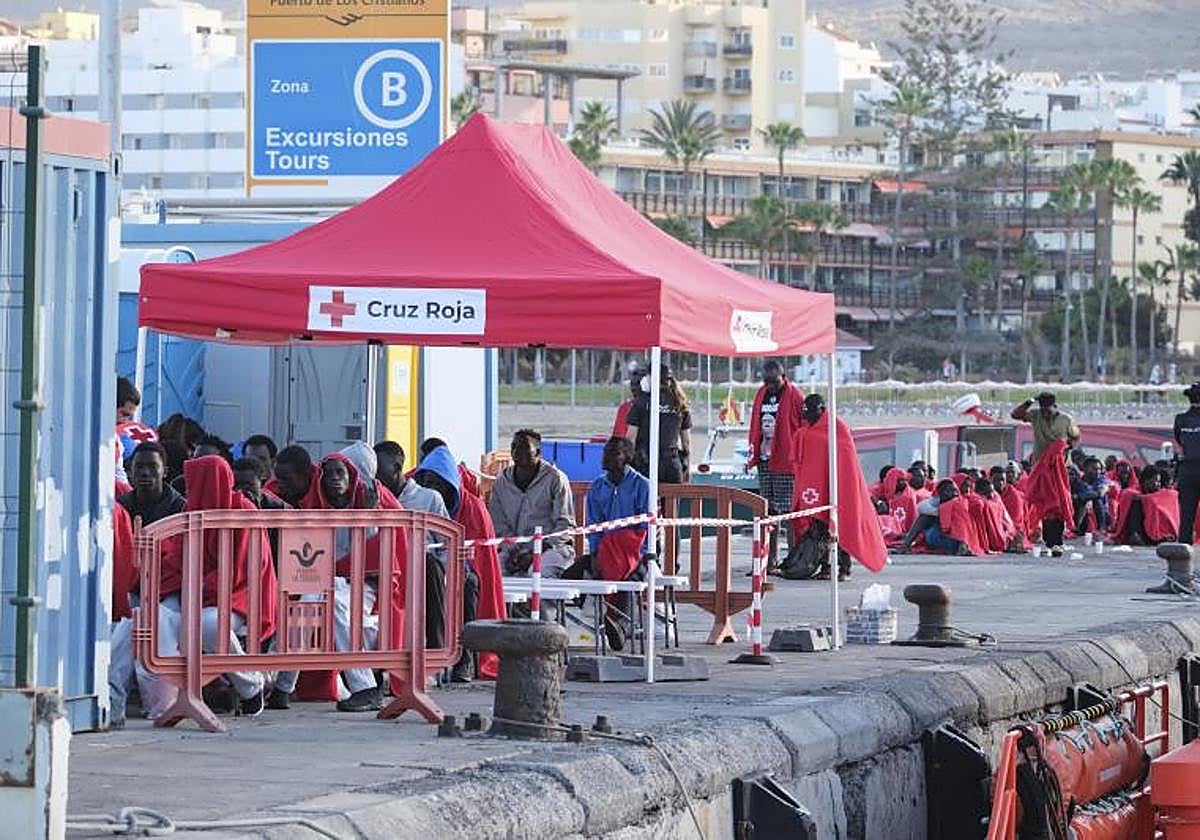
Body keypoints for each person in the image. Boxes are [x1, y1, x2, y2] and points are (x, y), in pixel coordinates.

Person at [158, 456, 279, 716]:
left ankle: (251, 687)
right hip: (198, 591)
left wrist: (198, 585)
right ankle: (163, 698)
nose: (189, 489)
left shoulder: (243, 511)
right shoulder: (191, 510)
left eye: (194, 483)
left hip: (241, 596)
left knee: (209, 625)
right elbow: (178, 557)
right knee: (160, 616)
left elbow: (242, 571)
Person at [413, 442, 505, 680]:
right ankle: (434, 654)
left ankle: (464, 657)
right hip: (419, 570)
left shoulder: (473, 508)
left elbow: (482, 559)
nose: (433, 489)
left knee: (470, 584)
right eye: (428, 483)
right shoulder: (418, 499)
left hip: (457, 570)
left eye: (438, 484)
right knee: (431, 574)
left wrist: (457, 570)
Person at [787, 393, 887, 579]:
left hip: (839, 488)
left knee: (842, 526)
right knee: (820, 527)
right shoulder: (806, 431)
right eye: (804, 412)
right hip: (818, 489)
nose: (806, 416)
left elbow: (846, 460)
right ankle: (826, 567)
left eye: (809, 412)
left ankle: (844, 567)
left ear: (821, 410)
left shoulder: (837, 430)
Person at [580, 437, 651, 651]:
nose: (606, 457)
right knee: (572, 573)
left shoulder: (642, 486)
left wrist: (638, 556)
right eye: (605, 452)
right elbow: (593, 526)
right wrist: (595, 555)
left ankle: (621, 625)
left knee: (630, 579)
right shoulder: (597, 487)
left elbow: (646, 528)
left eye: (614, 453)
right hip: (604, 552)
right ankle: (579, 618)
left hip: (637, 553)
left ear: (626, 458)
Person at [488, 429, 577, 577]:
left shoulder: (556, 479)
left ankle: (545, 601)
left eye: (524, 448)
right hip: (515, 550)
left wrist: (536, 552)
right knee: (492, 571)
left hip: (553, 548)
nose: (517, 451)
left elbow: (564, 525)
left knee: (539, 573)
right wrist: (513, 551)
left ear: (538, 452)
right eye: (514, 446)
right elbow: (499, 525)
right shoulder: (501, 482)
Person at [747, 360, 805, 567]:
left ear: (783, 376)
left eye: (774, 381)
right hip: (765, 459)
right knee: (768, 510)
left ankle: (793, 557)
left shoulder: (795, 395)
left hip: (785, 460)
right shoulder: (761, 394)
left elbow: (804, 425)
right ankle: (770, 559)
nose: (770, 385)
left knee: (788, 511)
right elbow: (755, 422)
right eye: (766, 381)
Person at [1012, 392, 1080, 556]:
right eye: (1042, 410)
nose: (1045, 414)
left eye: (1048, 411)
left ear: (1055, 407)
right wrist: (1030, 401)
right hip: (1040, 469)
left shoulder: (1066, 419)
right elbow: (1015, 414)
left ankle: (1058, 542)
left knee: (1059, 504)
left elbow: (1076, 437)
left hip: (1060, 468)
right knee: (1044, 505)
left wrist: (1066, 448)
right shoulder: (1036, 416)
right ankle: (1050, 543)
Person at [625, 366, 692, 484]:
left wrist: (626, 464)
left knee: (644, 501)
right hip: (672, 464)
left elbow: (630, 438)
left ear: (650, 379)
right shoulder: (679, 403)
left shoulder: (641, 402)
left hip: (645, 463)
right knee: (671, 501)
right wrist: (687, 466)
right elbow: (686, 442)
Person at [897, 479, 980, 556]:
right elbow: (921, 508)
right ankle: (905, 545)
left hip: (956, 542)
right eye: (948, 491)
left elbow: (963, 526)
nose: (953, 493)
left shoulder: (960, 503)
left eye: (954, 490)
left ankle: (905, 546)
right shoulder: (943, 503)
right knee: (926, 517)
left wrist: (963, 544)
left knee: (925, 518)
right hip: (946, 539)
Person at [118, 442, 186, 526]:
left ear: (165, 472)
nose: (145, 473)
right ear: (131, 471)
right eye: (139, 466)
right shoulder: (121, 506)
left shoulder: (180, 508)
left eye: (152, 466)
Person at [1111, 466, 1180, 546]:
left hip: (1155, 530)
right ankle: (1135, 535)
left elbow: (1172, 494)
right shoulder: (1131, 492)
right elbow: (1130, 496)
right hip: (1138, 529)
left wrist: (1145, 499)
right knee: (1136, 503)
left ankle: (1161, 536)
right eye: (1155, 481)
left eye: (1159, 482)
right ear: (1146, 481)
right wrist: (1144, 499)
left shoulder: (1158, 494)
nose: (1158, 484)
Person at [1173, 382, 1200, 544]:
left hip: (1187, 471)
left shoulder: (1180, 419)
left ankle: (1181, 561)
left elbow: (1180, 441)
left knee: (1187, 517)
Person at [1071, 457, 1111, 536]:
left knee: (1096, 499)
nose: (1097, 472)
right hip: (1083, 513)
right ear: (1085, 468)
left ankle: (1101, 529)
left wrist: (1081, 497)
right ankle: (1075, 527)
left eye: (1099, 469)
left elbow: (1100, 493)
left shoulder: (1102, 480)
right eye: (1094, 469)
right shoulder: (1079, 481)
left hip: (1101, 514)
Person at [611, 367, 644, 440]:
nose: (634, 388)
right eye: (632, 384)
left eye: (637, 384)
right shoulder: (624, 408)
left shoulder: (651, 408)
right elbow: (618, 437)